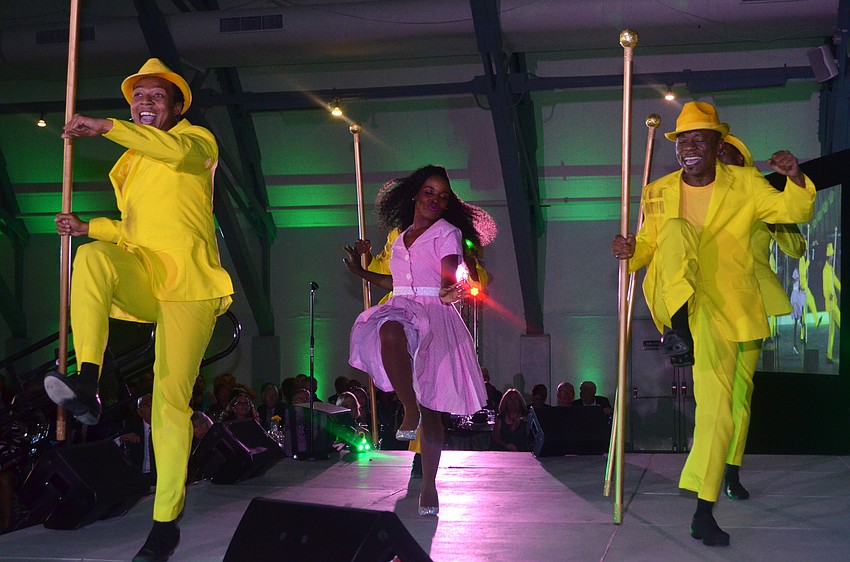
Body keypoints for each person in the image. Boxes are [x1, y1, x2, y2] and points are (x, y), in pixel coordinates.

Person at [43, 59, 234, 561]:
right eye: (137, 97)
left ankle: (165, 522)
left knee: (170, 402)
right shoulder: (129, 163)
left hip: (190, 288)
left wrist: (107, 126)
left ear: (176, 107)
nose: (144, 104)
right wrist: (91, 227)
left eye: (155, 97)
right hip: (146, 275)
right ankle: (87, 379)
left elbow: (171, 154)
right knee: (92, 260)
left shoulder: (196, 144)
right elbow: (137, 229)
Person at [611, 101, 815, 546]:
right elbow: (649, 243)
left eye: (698, 139)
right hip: (681, 301)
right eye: (682, 139)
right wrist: (631, 250)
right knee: (676, 231)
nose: (688, 147)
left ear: (717, 144)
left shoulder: (745, 183)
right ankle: (679, 330)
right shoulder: (657, 191)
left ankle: (704, 509)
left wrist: (795, 177)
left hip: (728, 307)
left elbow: (793, 213)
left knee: (720, 411)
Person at [345, 164, 496, 516]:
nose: (435, 199)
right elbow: (393, 284)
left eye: (442, 196)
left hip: (435, 315)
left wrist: (448, 286)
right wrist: (360, 272)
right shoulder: (399, 240)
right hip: (403, 308)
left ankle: (429, 484)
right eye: (429, 192)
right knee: (387, 328)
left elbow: (449, 265)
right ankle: (407, 407)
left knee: (432, 410)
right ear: (415, 194)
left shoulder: (447, 233)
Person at [717, 133, 805, 500]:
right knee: (712, 395)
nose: (721, 158)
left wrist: (771, 216)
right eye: (717, 153)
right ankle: (712, 461)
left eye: (728, 154)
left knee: (740, 392)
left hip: (751, 304)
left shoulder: (760, 198)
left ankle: (731, 469)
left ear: (745, 162)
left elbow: (797, 248)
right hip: (710, 305)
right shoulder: (700, 199)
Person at [115, 394, 156, 485]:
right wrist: (124, 437)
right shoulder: (132, 425)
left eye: (154, 404)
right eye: (147, 406)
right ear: (139, 412)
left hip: (162, 473)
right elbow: (112, 443)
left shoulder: (165, 425)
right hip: (140, 475)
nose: (152, 408)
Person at [822, 241, 841, 364]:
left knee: (832, 331)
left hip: (833, 303)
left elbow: (836, 282)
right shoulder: (825, 270)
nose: (833, 257)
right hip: (831, 304)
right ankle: (828, 356)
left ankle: (828, 356)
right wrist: (828, 295)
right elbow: (825, 287)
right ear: (830, 256)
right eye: (832, 256)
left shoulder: (830, 269)